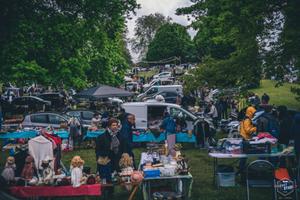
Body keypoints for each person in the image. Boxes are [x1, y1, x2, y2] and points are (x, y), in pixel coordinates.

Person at [95, 118, 127, 183]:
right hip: (106, 160)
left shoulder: (120, 136)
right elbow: (97, 151)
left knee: (117, 178)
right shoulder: (101, 137)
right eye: (113, 125)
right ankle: (107, 190)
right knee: (106, 179)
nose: (115, 127)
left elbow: (123, 148)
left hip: (117, 159)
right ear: (109, 126)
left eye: (116, 125)